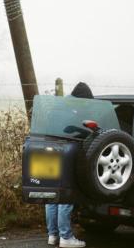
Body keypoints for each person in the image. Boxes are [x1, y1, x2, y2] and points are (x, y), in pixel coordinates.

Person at [45, 82, 92, 248]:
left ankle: (52, 235)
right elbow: (74, 130)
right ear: (81, 98)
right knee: (66, 195)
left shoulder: (59, 105)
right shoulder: (73, 108)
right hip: (65, 153)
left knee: (52, 196)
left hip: (49, 151)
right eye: (86, 101)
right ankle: (66, 237)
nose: (86, 104)